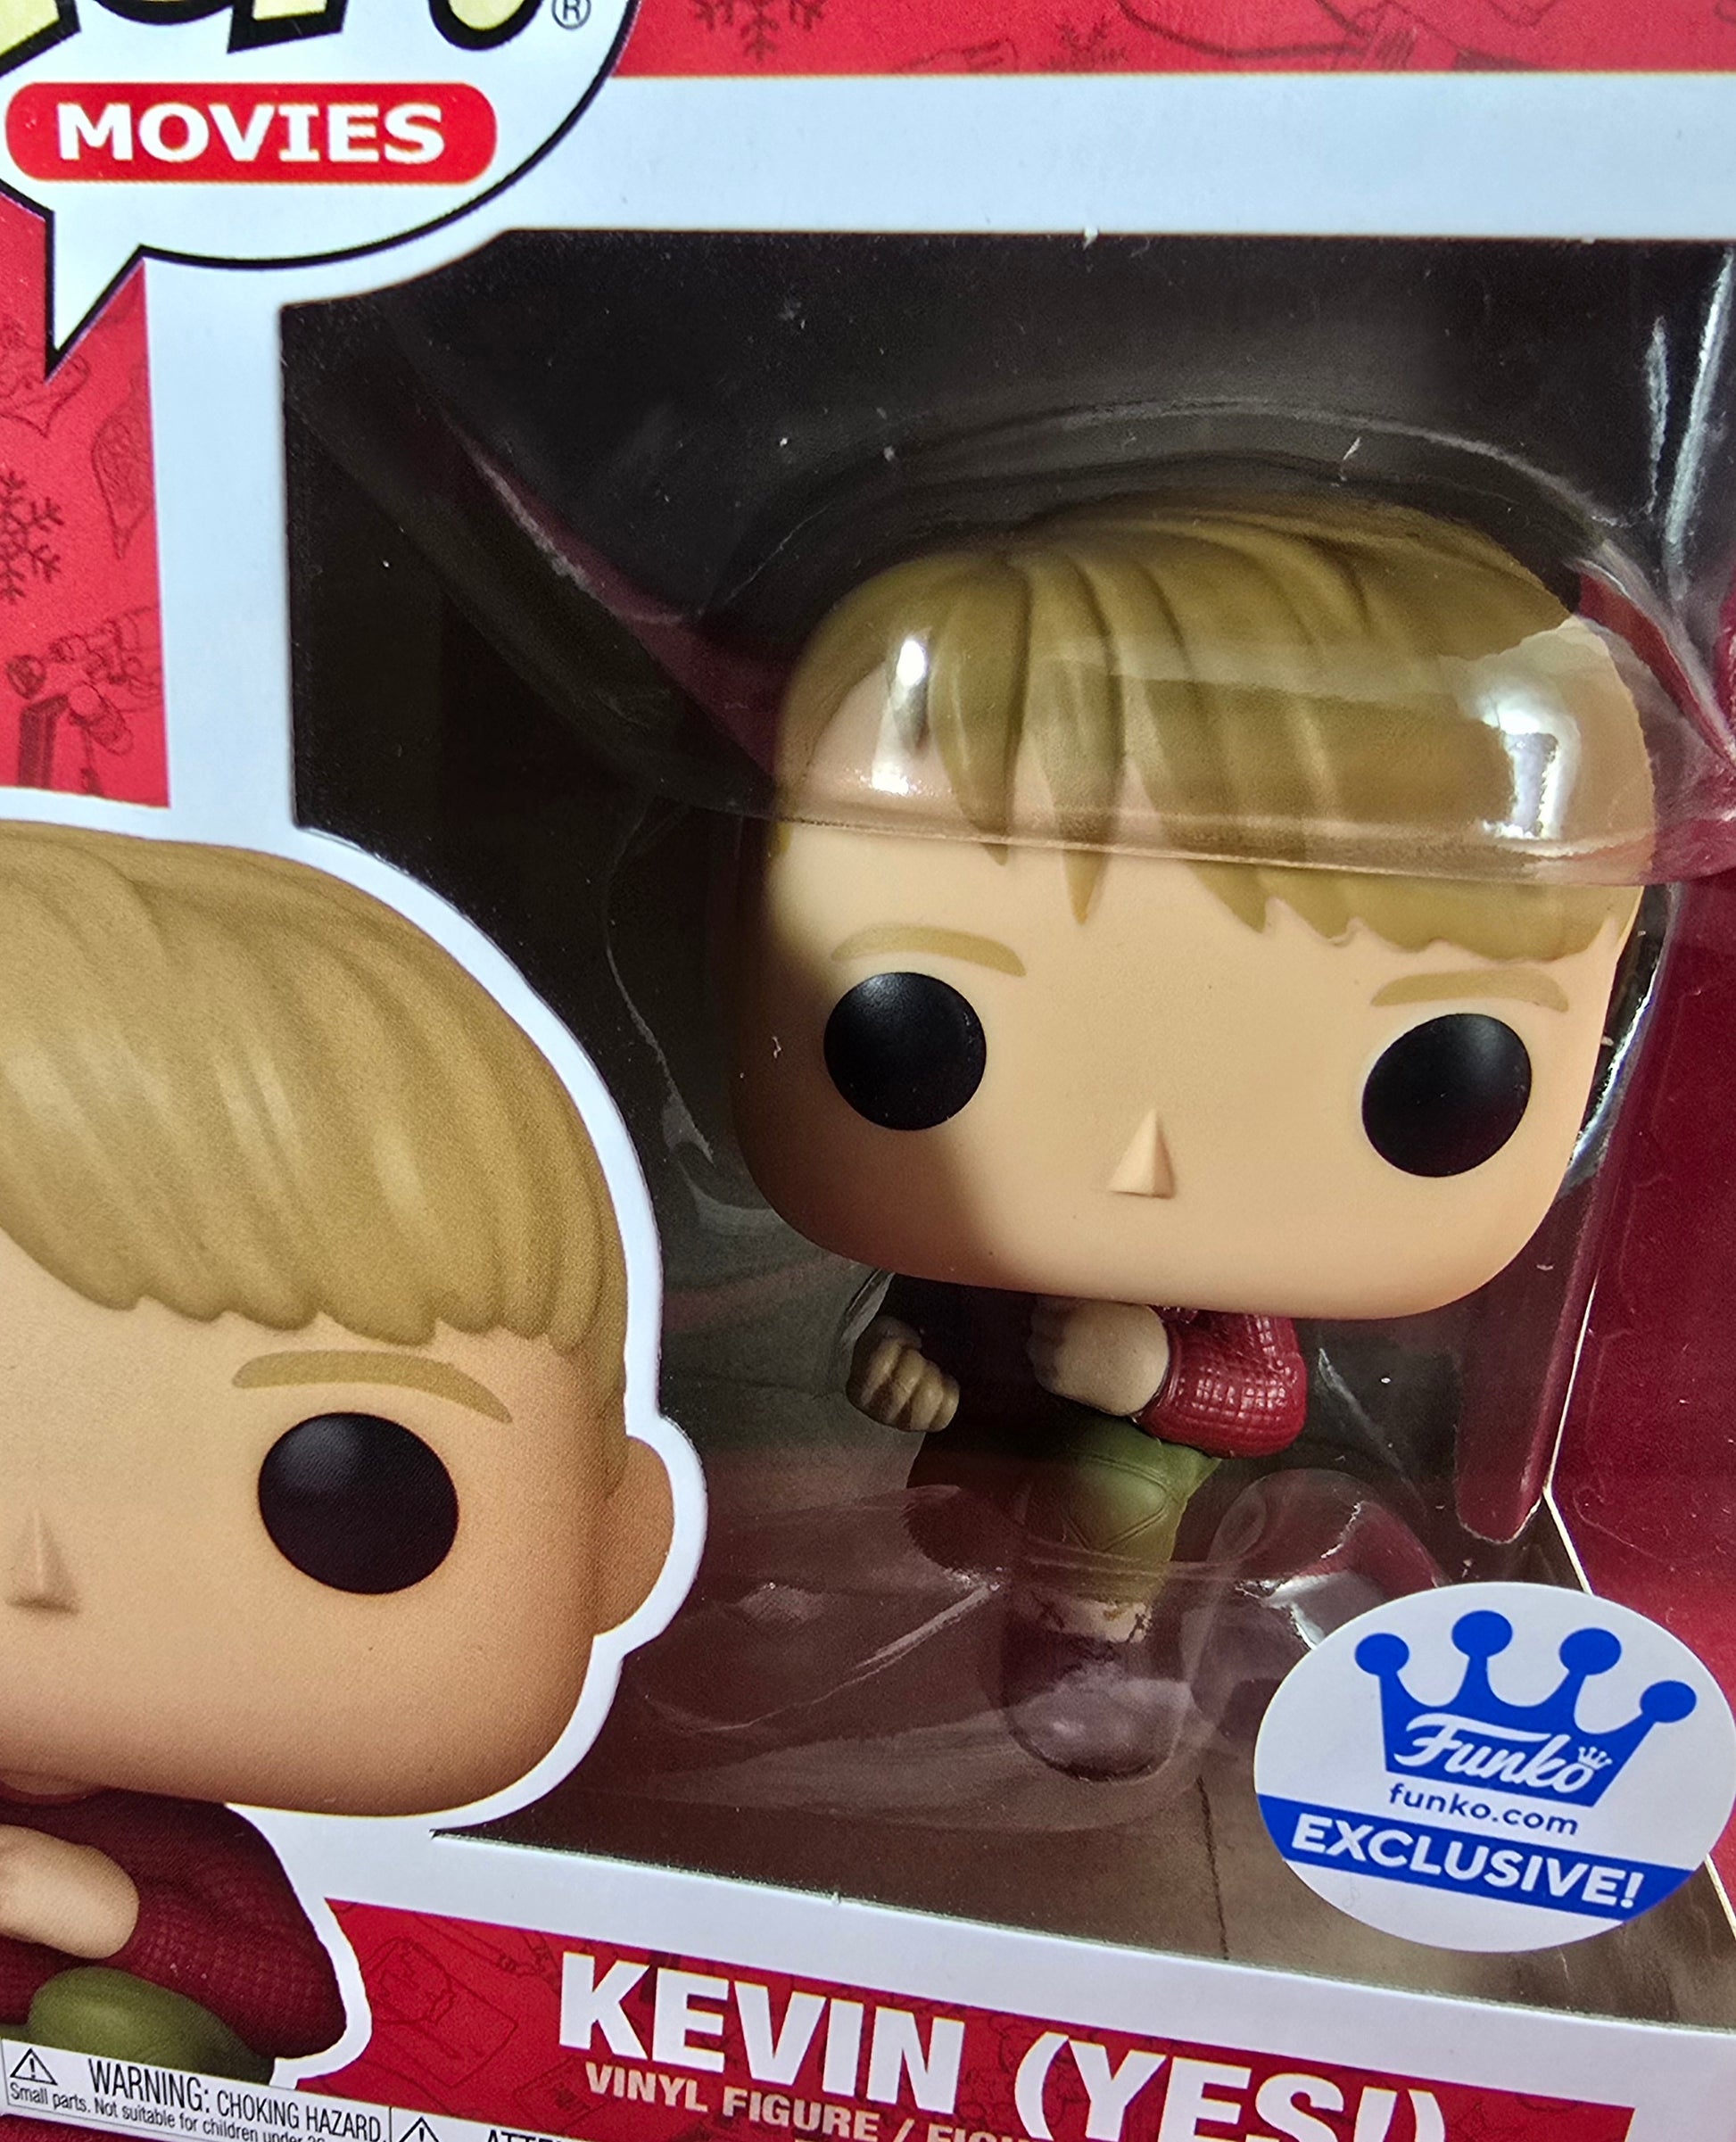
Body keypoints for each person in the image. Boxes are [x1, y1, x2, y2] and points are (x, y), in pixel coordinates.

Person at [728, 492, 1649, 1777]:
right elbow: (926, 1306)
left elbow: (1268, 1397)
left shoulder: (1224, 1283)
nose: (1142, 1162)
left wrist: (1147, 1371)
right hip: (1016, 1426)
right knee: (982, 1504)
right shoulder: (963, 1223)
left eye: (1426, 1080)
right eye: (923, 1025)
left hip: (1126, 1449)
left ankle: (1070, 1591)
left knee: (1074, 1498)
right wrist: (911, 1351)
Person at [0, 824, 672, 2091]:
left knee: (115, 2024)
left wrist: (101, 1910)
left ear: (616, 1537)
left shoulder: (188, 1850)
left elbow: (300, 2006)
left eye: (351, 1488)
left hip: (122, 2094)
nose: (35, 1568)